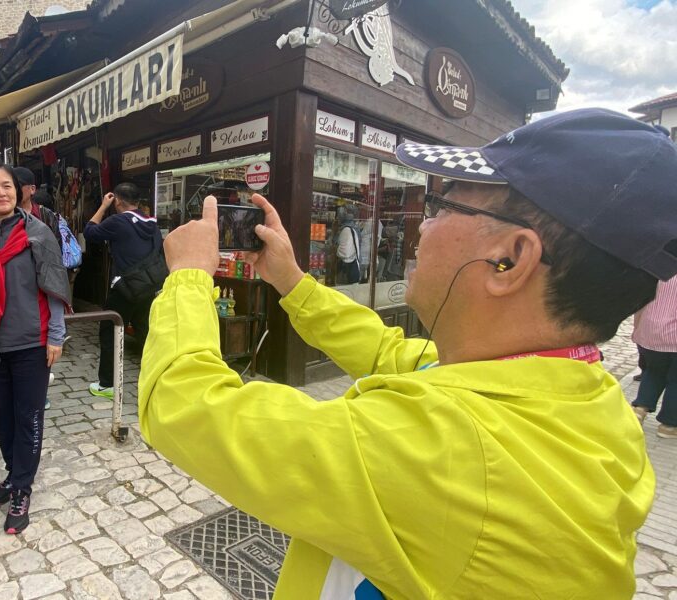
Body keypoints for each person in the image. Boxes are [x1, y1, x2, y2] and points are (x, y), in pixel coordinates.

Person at [139, 109, 673, 598]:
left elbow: (183, 406)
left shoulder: (444, 449)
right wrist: (291, 279)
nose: (422, 223)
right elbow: (390, 352)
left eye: (442, 205)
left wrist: (188, 276)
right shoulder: (575, 395)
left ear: (509, 258)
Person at [0, 162, 70, 534]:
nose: (1, 192)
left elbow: (54, 284)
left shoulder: (38, 233)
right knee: (1, 417)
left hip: (30, 343)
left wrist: (56, 335)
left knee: (29, 418)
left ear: (19, 190)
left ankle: (22, 487)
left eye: (7, 185)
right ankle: (14, 473)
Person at [85, 182, 161, 398]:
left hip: (125, 288)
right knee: (147, 335)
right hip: (148, 286)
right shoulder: (152, 223)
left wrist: (102, 206)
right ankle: (158, 383)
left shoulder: (118, 221)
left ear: (117, 201)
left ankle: (107, 384)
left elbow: (90, 232)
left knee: (110, 332)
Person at [631, 276, 677, 436]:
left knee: (653, 371)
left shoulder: (660, 270)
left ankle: (640, 409)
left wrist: (637, 328)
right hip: (674, 336)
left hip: (650, 332)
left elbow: (640, 303)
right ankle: (669, 425)